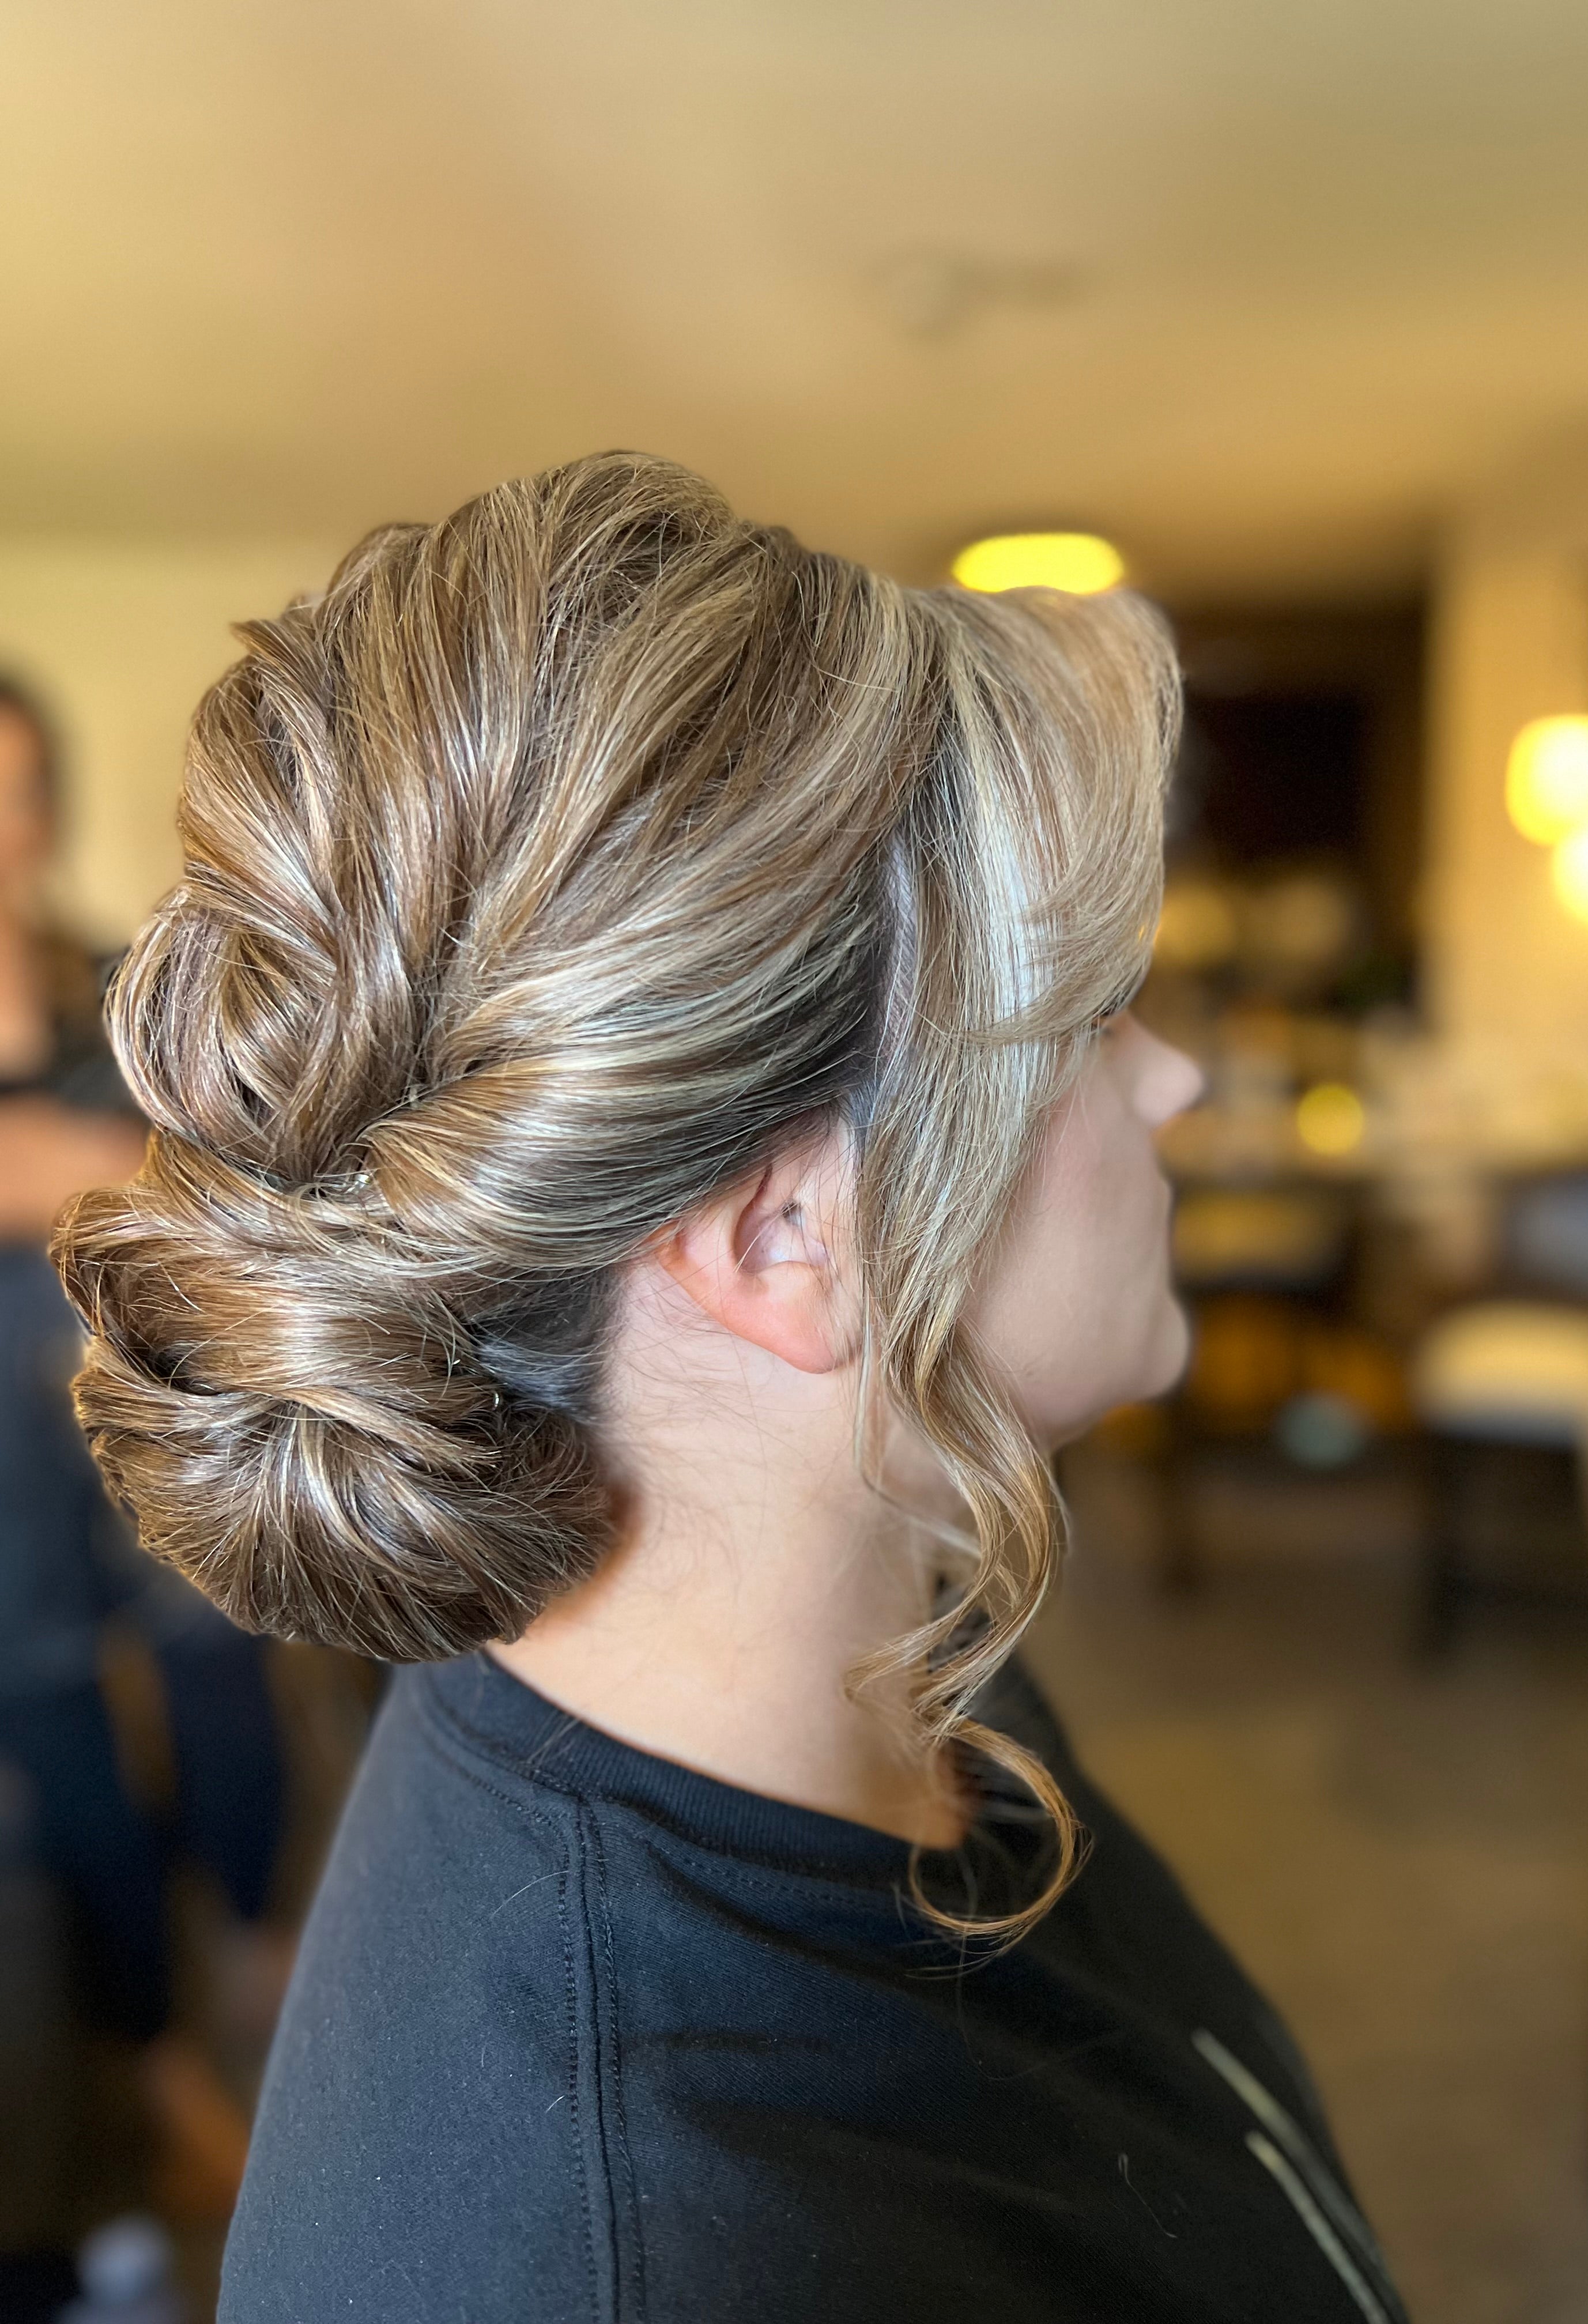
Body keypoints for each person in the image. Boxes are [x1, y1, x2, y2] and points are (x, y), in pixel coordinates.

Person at [56, 458, 1410, 2322]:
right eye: (1093, 1013)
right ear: (787, 1237)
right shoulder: (668, 2254)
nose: (1169, 1087)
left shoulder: (894, 1671)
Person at [0, 677, 285, 2262]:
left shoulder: (119, 990)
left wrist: (84, 1169)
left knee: (228, 1689)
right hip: (1, 1489)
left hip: (152, 1418)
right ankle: (167, 2089)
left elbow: (220, 1170)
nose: (2, 830)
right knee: (67, 1767)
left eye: (23, 790)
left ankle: (264, 1967)